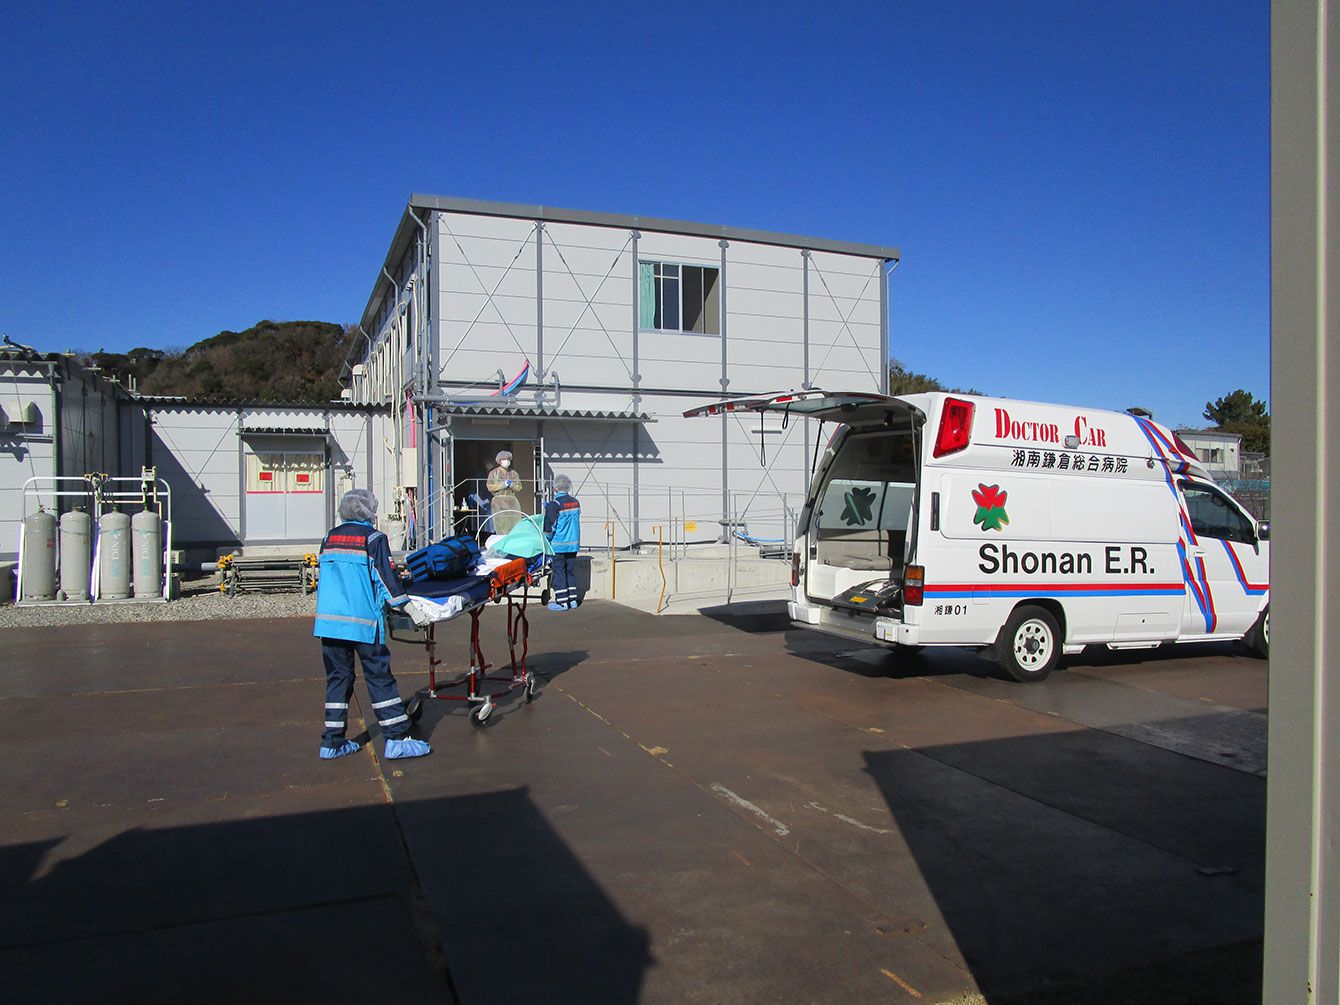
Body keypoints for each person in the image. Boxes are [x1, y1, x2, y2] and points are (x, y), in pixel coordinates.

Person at [314, 489, 431, 760]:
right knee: (379, 679)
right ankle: (396, 739)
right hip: (363, 623)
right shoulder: (373, 539)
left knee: (338, 680)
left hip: (330, 624)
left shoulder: (329, 538)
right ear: (368, 511)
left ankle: (331, 743)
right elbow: (385, 579)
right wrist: (410, 608)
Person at [543, 474, 581, 611]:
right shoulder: (576, 502)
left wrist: (545, 539)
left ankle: (562, 602)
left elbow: (549, 526)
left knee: (559, 572)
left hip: (558, 545)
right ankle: (573, 600)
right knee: (569, 572)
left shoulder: (555, 504)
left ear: (555, 488)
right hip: (573, 544)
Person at [486, 450, 523, 535]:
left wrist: (512, 485)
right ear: (500, 461)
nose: (507, 461)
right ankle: (501, 537)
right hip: (498, 501)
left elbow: (519, 487)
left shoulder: (514, 473)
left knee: (513, 521)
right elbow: (489, 486)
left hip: (511, 501)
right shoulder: (494, 473)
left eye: (508, 460)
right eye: (504, 459)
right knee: (500, 522)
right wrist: (502, 485)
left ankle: (512, 538)